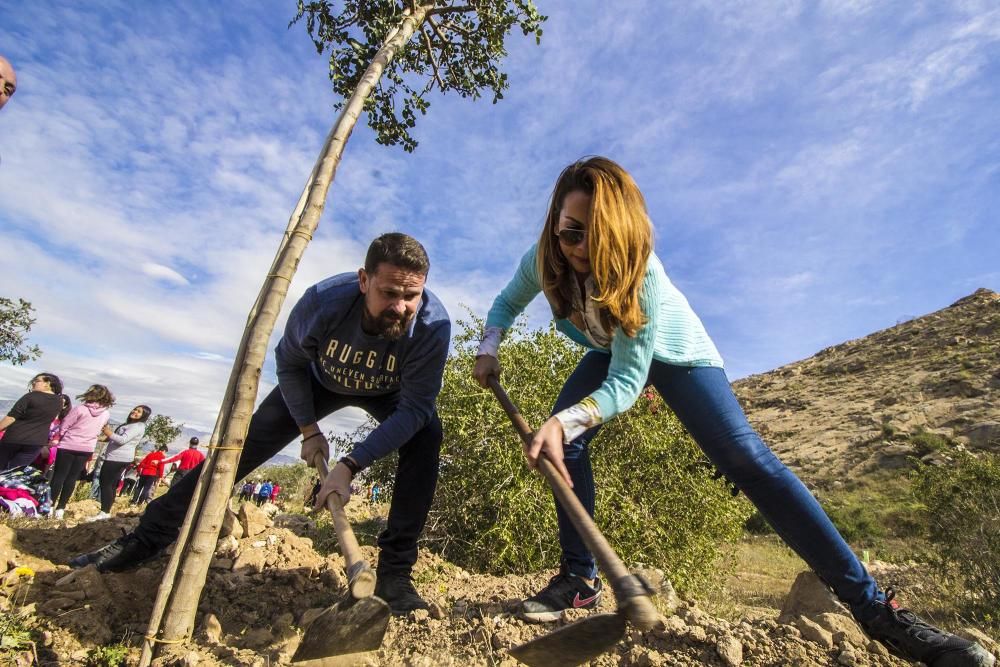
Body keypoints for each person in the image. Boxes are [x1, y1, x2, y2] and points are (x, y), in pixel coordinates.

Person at [472, 157, 995, 667]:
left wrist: (564, 419)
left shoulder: (640, 274)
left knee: (746, 460)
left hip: (678, 355)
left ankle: (877, 611)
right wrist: (490, 345)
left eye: (599, 237)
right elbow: (505, 304)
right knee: (567, 442)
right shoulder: (544, 257)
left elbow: (629, 382)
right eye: (571, 233)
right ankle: (579, 581)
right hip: (611, 350)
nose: (582, 249)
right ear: (555, 224)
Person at [70, 233, 451, 616]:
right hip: (315, 383)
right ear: (364, 280)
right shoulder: (324, 302)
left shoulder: (433, 326)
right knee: (238, 450)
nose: (400, 307)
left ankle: (395, 576)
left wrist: (349, 465)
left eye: (411, 296)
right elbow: (289, 363)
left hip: (389, 392)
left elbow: (416, 408)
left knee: (426, 435)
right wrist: (308, 429)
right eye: (389, 293)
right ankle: (146, 538)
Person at [49, 385, 114, 520]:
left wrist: (61, 436)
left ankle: (49, 507)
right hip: (86, 448)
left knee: (59, 476)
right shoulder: (106, 413)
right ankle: (61, 509)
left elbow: (64, 426)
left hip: (68, 445)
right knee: (71, 478)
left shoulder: (80, 409)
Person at [88, 405, 151, 521]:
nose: (134, 412)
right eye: (135, 409)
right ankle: (106, 510)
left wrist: (108, 432)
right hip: (117, 457)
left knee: (105, 483)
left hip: (117, 458)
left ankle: (104, 512)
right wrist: (104, 437)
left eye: (139, 412)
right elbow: (117, 438)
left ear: (144, 416)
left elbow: (122, 440)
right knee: (111, 484)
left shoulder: (137, 426)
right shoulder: (131, 424)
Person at [0, 373, 64, 471]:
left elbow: (11, 417)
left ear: (48, 383)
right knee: (15, 473)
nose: (33, 383)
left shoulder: (30, 396)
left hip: (14, 439)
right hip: (36, 443)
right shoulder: (59, 402)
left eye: (37, 380)